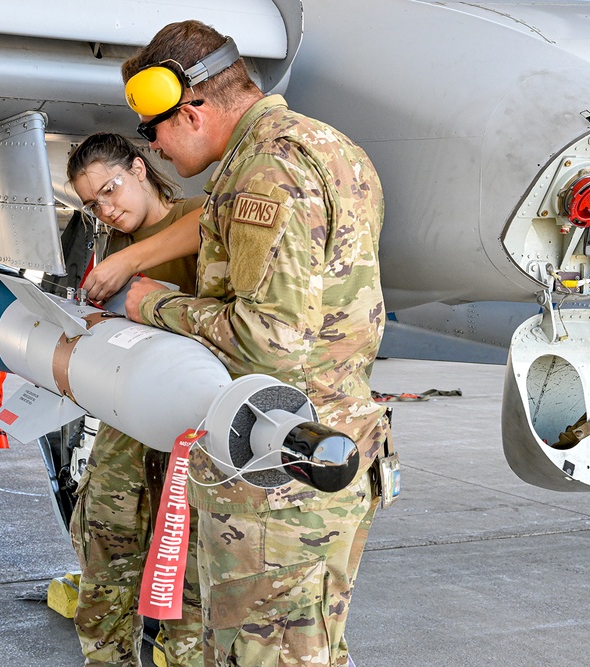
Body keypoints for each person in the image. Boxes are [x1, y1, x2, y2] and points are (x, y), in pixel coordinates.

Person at [119, 21, 393, 667]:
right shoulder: (329, 145)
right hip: (326, 450)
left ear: (192, 110)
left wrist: (149, 302)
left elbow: (270, 341)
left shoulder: (265, 171)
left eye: (150, 130)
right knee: (310, 649)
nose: (152, 148)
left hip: (276, 471)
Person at [65, 132, 205, 667]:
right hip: (128, 431)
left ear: (141, 169)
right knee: (105, 562)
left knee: (192, 587)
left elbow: (211, 221)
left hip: (192, 434)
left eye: (111, 188)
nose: (106, 207)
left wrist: (129, 267)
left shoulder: (196, 214)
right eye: (92, 203)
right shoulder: (110, 244)